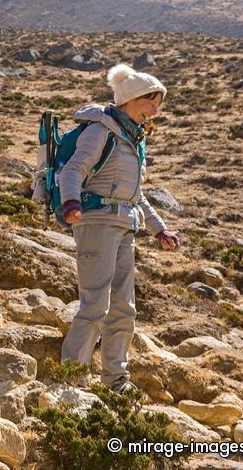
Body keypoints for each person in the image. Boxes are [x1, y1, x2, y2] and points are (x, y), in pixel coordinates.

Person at [59, 63, 181, 394]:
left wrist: (159, 230)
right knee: (95, 305)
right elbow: (72, 171)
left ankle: (115, 381)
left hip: (127, 226)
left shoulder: (133, 138)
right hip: (96, 222)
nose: (156, 110)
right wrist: (71, 204)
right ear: (131, 98)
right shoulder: (101, 131)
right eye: (151, 102)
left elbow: (135, 195)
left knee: (124, 309)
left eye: (159, 103)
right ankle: (72, 380)